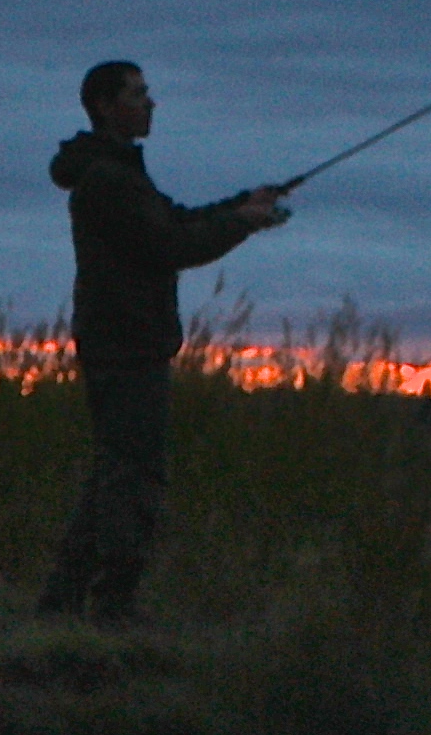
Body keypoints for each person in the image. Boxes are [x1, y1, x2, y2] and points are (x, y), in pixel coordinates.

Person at [37, 61, 290, 621]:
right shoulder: (108, 179)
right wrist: (244, 222)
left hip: (125, 340)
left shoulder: (120, 173)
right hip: (125, 343)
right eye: (139, 94)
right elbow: (172, 247)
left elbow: (172, 222)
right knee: (135, 478)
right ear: (106, 105)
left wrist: (242, 204)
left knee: (115, 472)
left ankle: (61, 606)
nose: (151, 104)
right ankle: (111, 611)